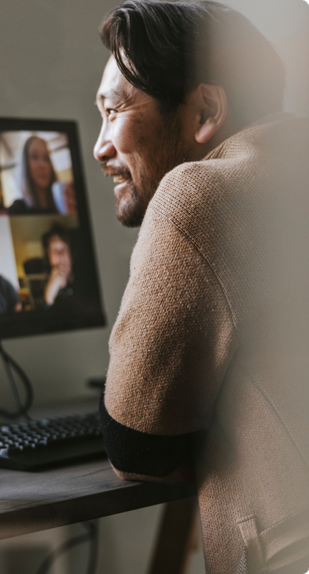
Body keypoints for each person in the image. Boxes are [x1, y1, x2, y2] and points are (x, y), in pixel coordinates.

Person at [94, 2, 309, 574]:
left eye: (114, 110)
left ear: (206, 110)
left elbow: (137, 447)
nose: (99, 146)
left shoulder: (198, 196)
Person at [8, 136, 77, 215]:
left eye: (46, 158)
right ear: (25, 164)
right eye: (34, 157)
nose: (42, 165)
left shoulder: (65, 206)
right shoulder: (18, 210)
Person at [42, 224, 77, 310]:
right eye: (54, 250)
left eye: (63, 249)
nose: (60, 255)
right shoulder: (43, 288)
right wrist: (48, 299)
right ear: (49, 258)